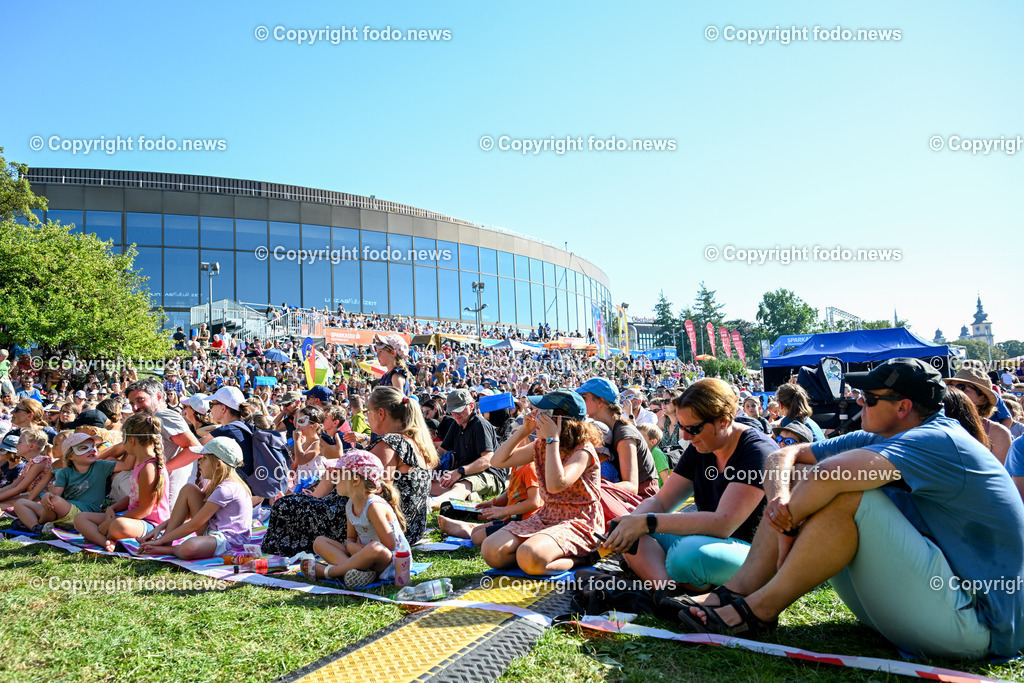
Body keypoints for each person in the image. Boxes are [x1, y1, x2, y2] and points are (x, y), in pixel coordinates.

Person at [676, 359, 1024, 661]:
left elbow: (829, 476)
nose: (860, 402)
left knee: (848, 491)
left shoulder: (936, 438)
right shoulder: (881, 435)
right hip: (934, 607)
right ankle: (738, 592)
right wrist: (782, 503)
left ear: (903, 407)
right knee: (800, 477)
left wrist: (789, 522)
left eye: (871, 399)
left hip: (979, 625)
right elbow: (782, 455)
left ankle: (757, 611)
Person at [604, 379, 771, 592]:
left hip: (756, 553)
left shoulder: (756, 451)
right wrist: (630, 523)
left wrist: (647, 522)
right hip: (710, 539)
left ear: (724, 421)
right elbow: (661, 501)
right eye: (682, 427)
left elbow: (723, 524)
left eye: (693, 428)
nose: (685, 436)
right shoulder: (700, 446)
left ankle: (663, 580)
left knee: (684, 556)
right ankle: (667, 593)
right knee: (630, 535)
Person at [481, 389, 603, 575]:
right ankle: (535, 557)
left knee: (529, 555)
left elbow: (556, 485)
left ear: (560, 419)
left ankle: (585, 557)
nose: (535, 416)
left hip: (578, 520)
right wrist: (524, 431)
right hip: (547, 516)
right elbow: (497, 461)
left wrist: (553, 439)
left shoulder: (583, 451)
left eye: (542, 413)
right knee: (491, 550)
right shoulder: (541, 444)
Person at [302, 450, 405, 588]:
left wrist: (357, 549)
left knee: (375, 548)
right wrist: (353, 547)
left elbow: (389, 547)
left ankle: (331, 571)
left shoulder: (373, 506)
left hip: (387, 562)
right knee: (319, 542)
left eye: (338, 475)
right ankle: (355, 572)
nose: (334, 480)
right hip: (361, 554)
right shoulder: (350, 504)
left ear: (355, 480)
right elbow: (350, 539)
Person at [138, 437, 253, 559]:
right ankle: (166, 543)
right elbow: (188, 515)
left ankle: (168, 549)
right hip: (211, 532)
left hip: (229, 542)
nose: (199, 462)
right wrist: (159, 528)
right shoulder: (214, 484)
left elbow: (194, 524)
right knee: (189, 489)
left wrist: (159, 541)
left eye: (204, 458)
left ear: (218, 464)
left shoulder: (226, 489)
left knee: (190, 547)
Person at [74, 413, 169, 551]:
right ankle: (106, 541)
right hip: (134, 518)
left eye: (122, 438)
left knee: (118, 526)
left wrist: (111, 522)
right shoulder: (141, 464)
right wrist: (113, 508)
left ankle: (102, 535)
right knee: (80, 518)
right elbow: (133, 496)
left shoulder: (149, 468)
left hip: (152, 525)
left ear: (131, 441)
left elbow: (145, 509)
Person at [363, 386, 436, 545]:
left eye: (367, 411)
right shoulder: (415, 441)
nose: (366, 416)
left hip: (390, 531)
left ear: (381, 413)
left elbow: (376, 493)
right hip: (412, 530)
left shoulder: (390, 443)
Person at [13, 433, 115, 534]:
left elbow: (126, 465)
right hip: (61, 510)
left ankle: (41, 523)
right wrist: (47, 497)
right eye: (84, 448)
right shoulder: (64, 472)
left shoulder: (101, 465)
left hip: (85, 513)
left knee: (54, 501)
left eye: (94, 446)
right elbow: (55, 495)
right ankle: (36, 528)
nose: (92, 450)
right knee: (20, 503)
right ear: (71, 456)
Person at [122, 378, 201, 509]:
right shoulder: (154, 418)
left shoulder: (164, 415)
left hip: (170, 494)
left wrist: (161, 470)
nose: (135, 408)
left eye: (140, 400)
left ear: (158, 396)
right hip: (164, 490)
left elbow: (196, 449)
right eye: (132, 403)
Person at [578, 377, 659, 498]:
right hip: (623, 501)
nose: (580, 401)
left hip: (642, 503)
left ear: (600, 401)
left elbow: (631, 487)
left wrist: (587, 489)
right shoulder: (609, 429)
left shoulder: (624, 433)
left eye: (584, 397)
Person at [438, 460, 540, 547]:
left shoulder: (530, 468)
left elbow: (534, 502)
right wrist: (493, 503)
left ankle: (467, 527)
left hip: (526, 523)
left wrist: (502, 510)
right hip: (512, 519)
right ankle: (470, 527)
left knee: (476, 537)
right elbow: (512, 492)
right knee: (475, 532)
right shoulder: (517, 465)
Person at [429, 389, 504, 508]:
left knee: (461, 485)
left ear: (471, 406)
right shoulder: (456, 424)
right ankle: (469, 496)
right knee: (432, 484)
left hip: (490, 474)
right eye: (452, 411)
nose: (455, 415)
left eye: (459, 411)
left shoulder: (480, 425)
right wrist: (429, 468)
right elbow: (441, 451)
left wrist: (460, 471)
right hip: (465, 472)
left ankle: (431, 504)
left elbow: (488, 459)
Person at [942, 364, 1012, 463]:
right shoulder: (935, 425)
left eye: (961, 388)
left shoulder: (997, 433)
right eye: (950, 386)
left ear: (982, 398)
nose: (953, 391)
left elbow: (998, 476)